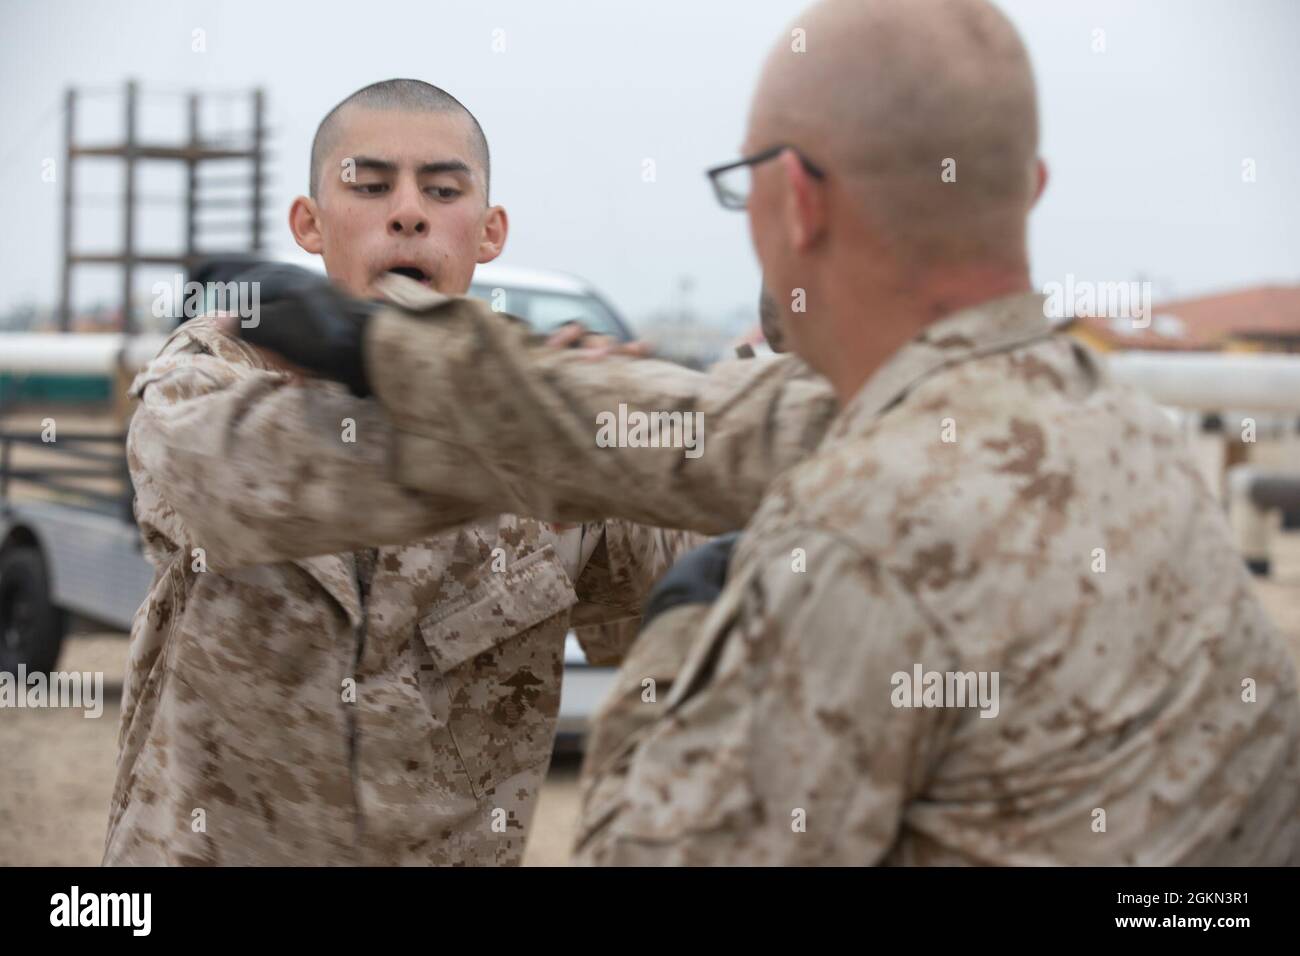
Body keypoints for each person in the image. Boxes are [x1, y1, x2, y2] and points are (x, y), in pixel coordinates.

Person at [224, 0, 1300, 865]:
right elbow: (692, 424)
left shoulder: (854, 541)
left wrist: (681, 641)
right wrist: (394, 353)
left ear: (795, 203)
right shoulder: (1118, 429)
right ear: (1027, 190)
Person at [107, 78, 835, 866]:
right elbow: (233, 480)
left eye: (443, 189)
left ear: (489, 232)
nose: (409, 210)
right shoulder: (211, 370)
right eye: (371, 184)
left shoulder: (551, 388)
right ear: (308, 225)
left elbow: (681, 588)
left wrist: (803, 364)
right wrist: (550, 435)